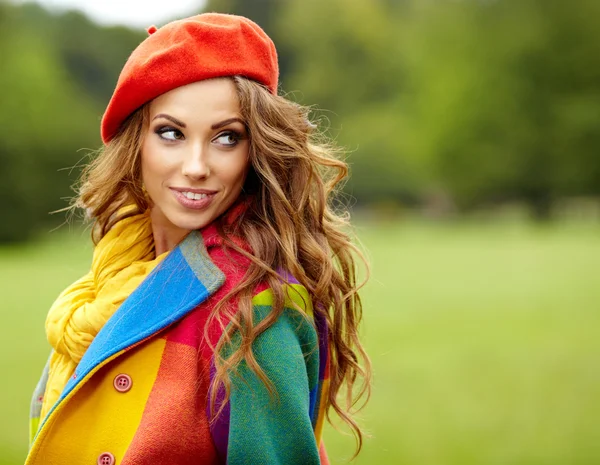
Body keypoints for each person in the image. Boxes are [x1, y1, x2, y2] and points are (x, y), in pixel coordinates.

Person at [25, 12, 370, 465]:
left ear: (256, 151)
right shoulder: (116, 269)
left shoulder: (253, 305)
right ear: (137, 144)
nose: (195, 165)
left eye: (226, 138)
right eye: (171, 133)